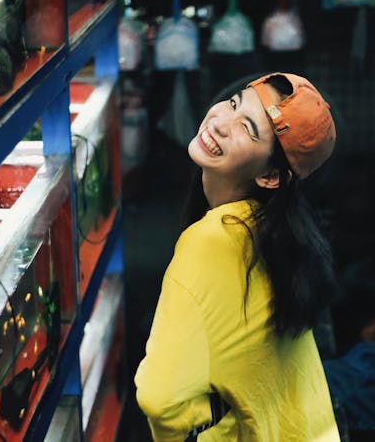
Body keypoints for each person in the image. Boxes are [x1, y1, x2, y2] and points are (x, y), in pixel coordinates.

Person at [134, 73, 340, 441]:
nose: (221, 122)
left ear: (271, 176)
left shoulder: (211, 243)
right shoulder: (275, 236)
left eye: (247, 127)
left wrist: (209, 415)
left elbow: (158, 399)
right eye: (233, 103)